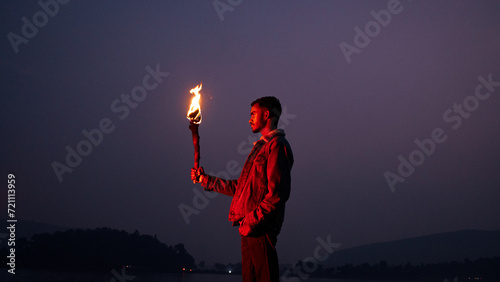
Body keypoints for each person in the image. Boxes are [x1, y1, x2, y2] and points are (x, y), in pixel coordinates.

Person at [191, 96, 294, 282]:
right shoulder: (261, 148)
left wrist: (251, 221)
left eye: (253, 114)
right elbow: (241, 188)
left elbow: (277, 195)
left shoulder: (277, 147)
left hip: (260, 228)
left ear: (266, 114)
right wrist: (205, 180)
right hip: (249, 228)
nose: (250, 119)